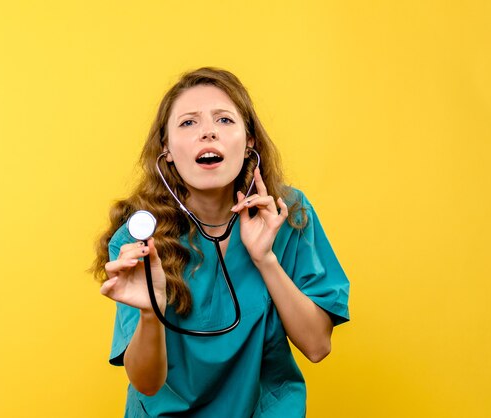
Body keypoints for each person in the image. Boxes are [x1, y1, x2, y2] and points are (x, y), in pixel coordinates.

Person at [90, 67, 350, 417]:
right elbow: (147, 384)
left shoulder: (287, 215)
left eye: (225, 120)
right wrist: (151, 312)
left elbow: (318, 346)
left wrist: (265, 259)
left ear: (249, 142)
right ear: (166, 149)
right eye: (188, 123)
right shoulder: (137, 239)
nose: (208, 132)